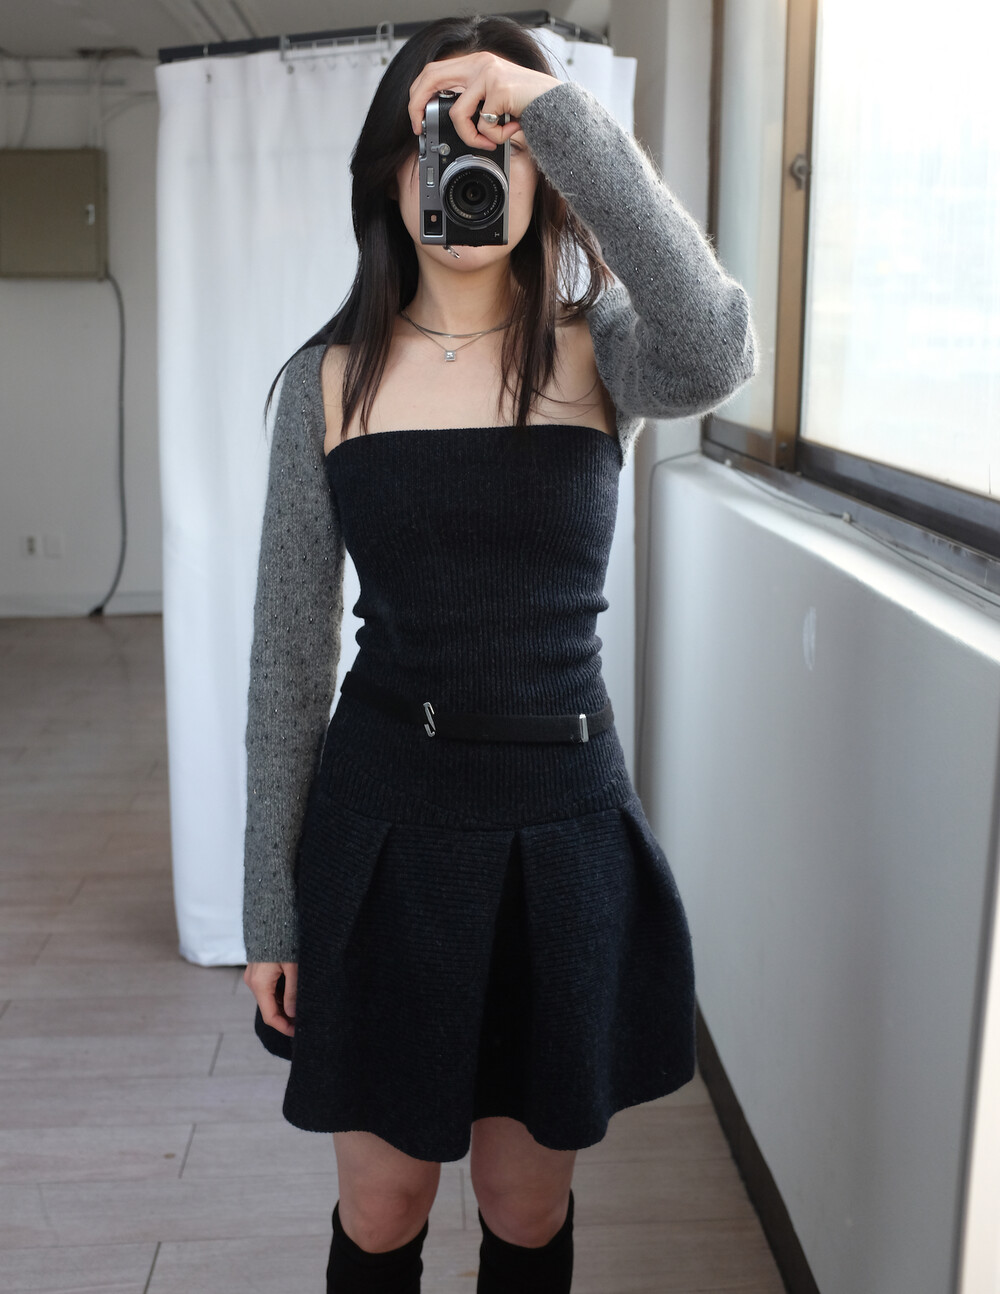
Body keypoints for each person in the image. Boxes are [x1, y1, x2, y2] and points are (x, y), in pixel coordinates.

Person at [241, 14, 758, 1294]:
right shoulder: (328, 380)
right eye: (437, 140)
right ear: (388, 173)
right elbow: (287, 663)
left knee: (527, 1210)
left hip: (558, 830)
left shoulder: (602, 351)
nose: (468, 169)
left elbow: (716, 342)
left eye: (502, 143)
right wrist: (268, 906)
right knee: (382, 1206)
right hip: (385, 827)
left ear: (545, 172)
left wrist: (550, 104)